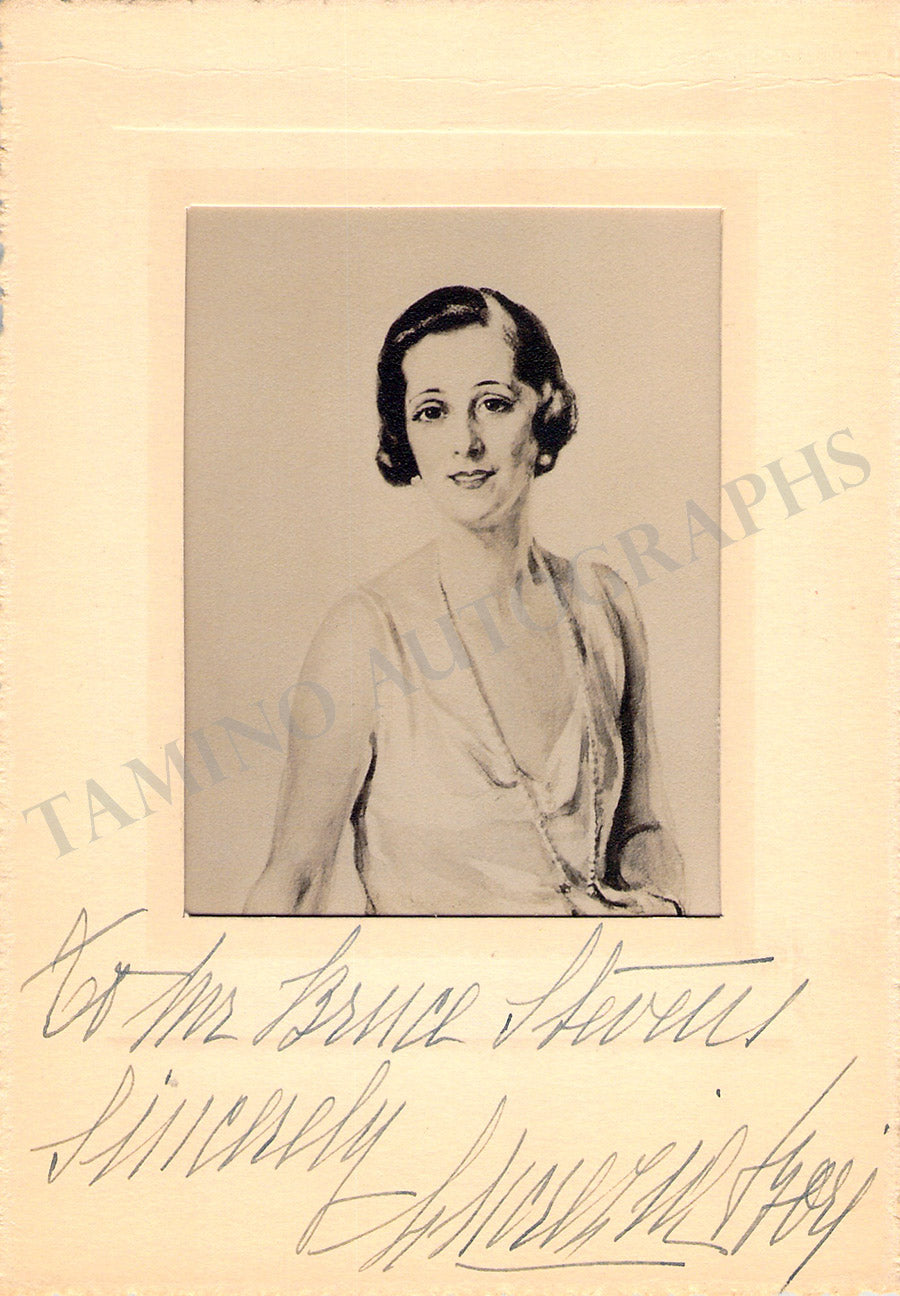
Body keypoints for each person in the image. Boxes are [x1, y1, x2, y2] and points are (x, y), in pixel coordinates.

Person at [245, 286, 684, 917]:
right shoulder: (365, 634)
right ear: (404, 436)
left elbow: (643, 829)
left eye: (493, 404)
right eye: (432, 412)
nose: (466, 443)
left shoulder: (603, 603)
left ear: (544, 412)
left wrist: (663, 913)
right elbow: (297, 878)